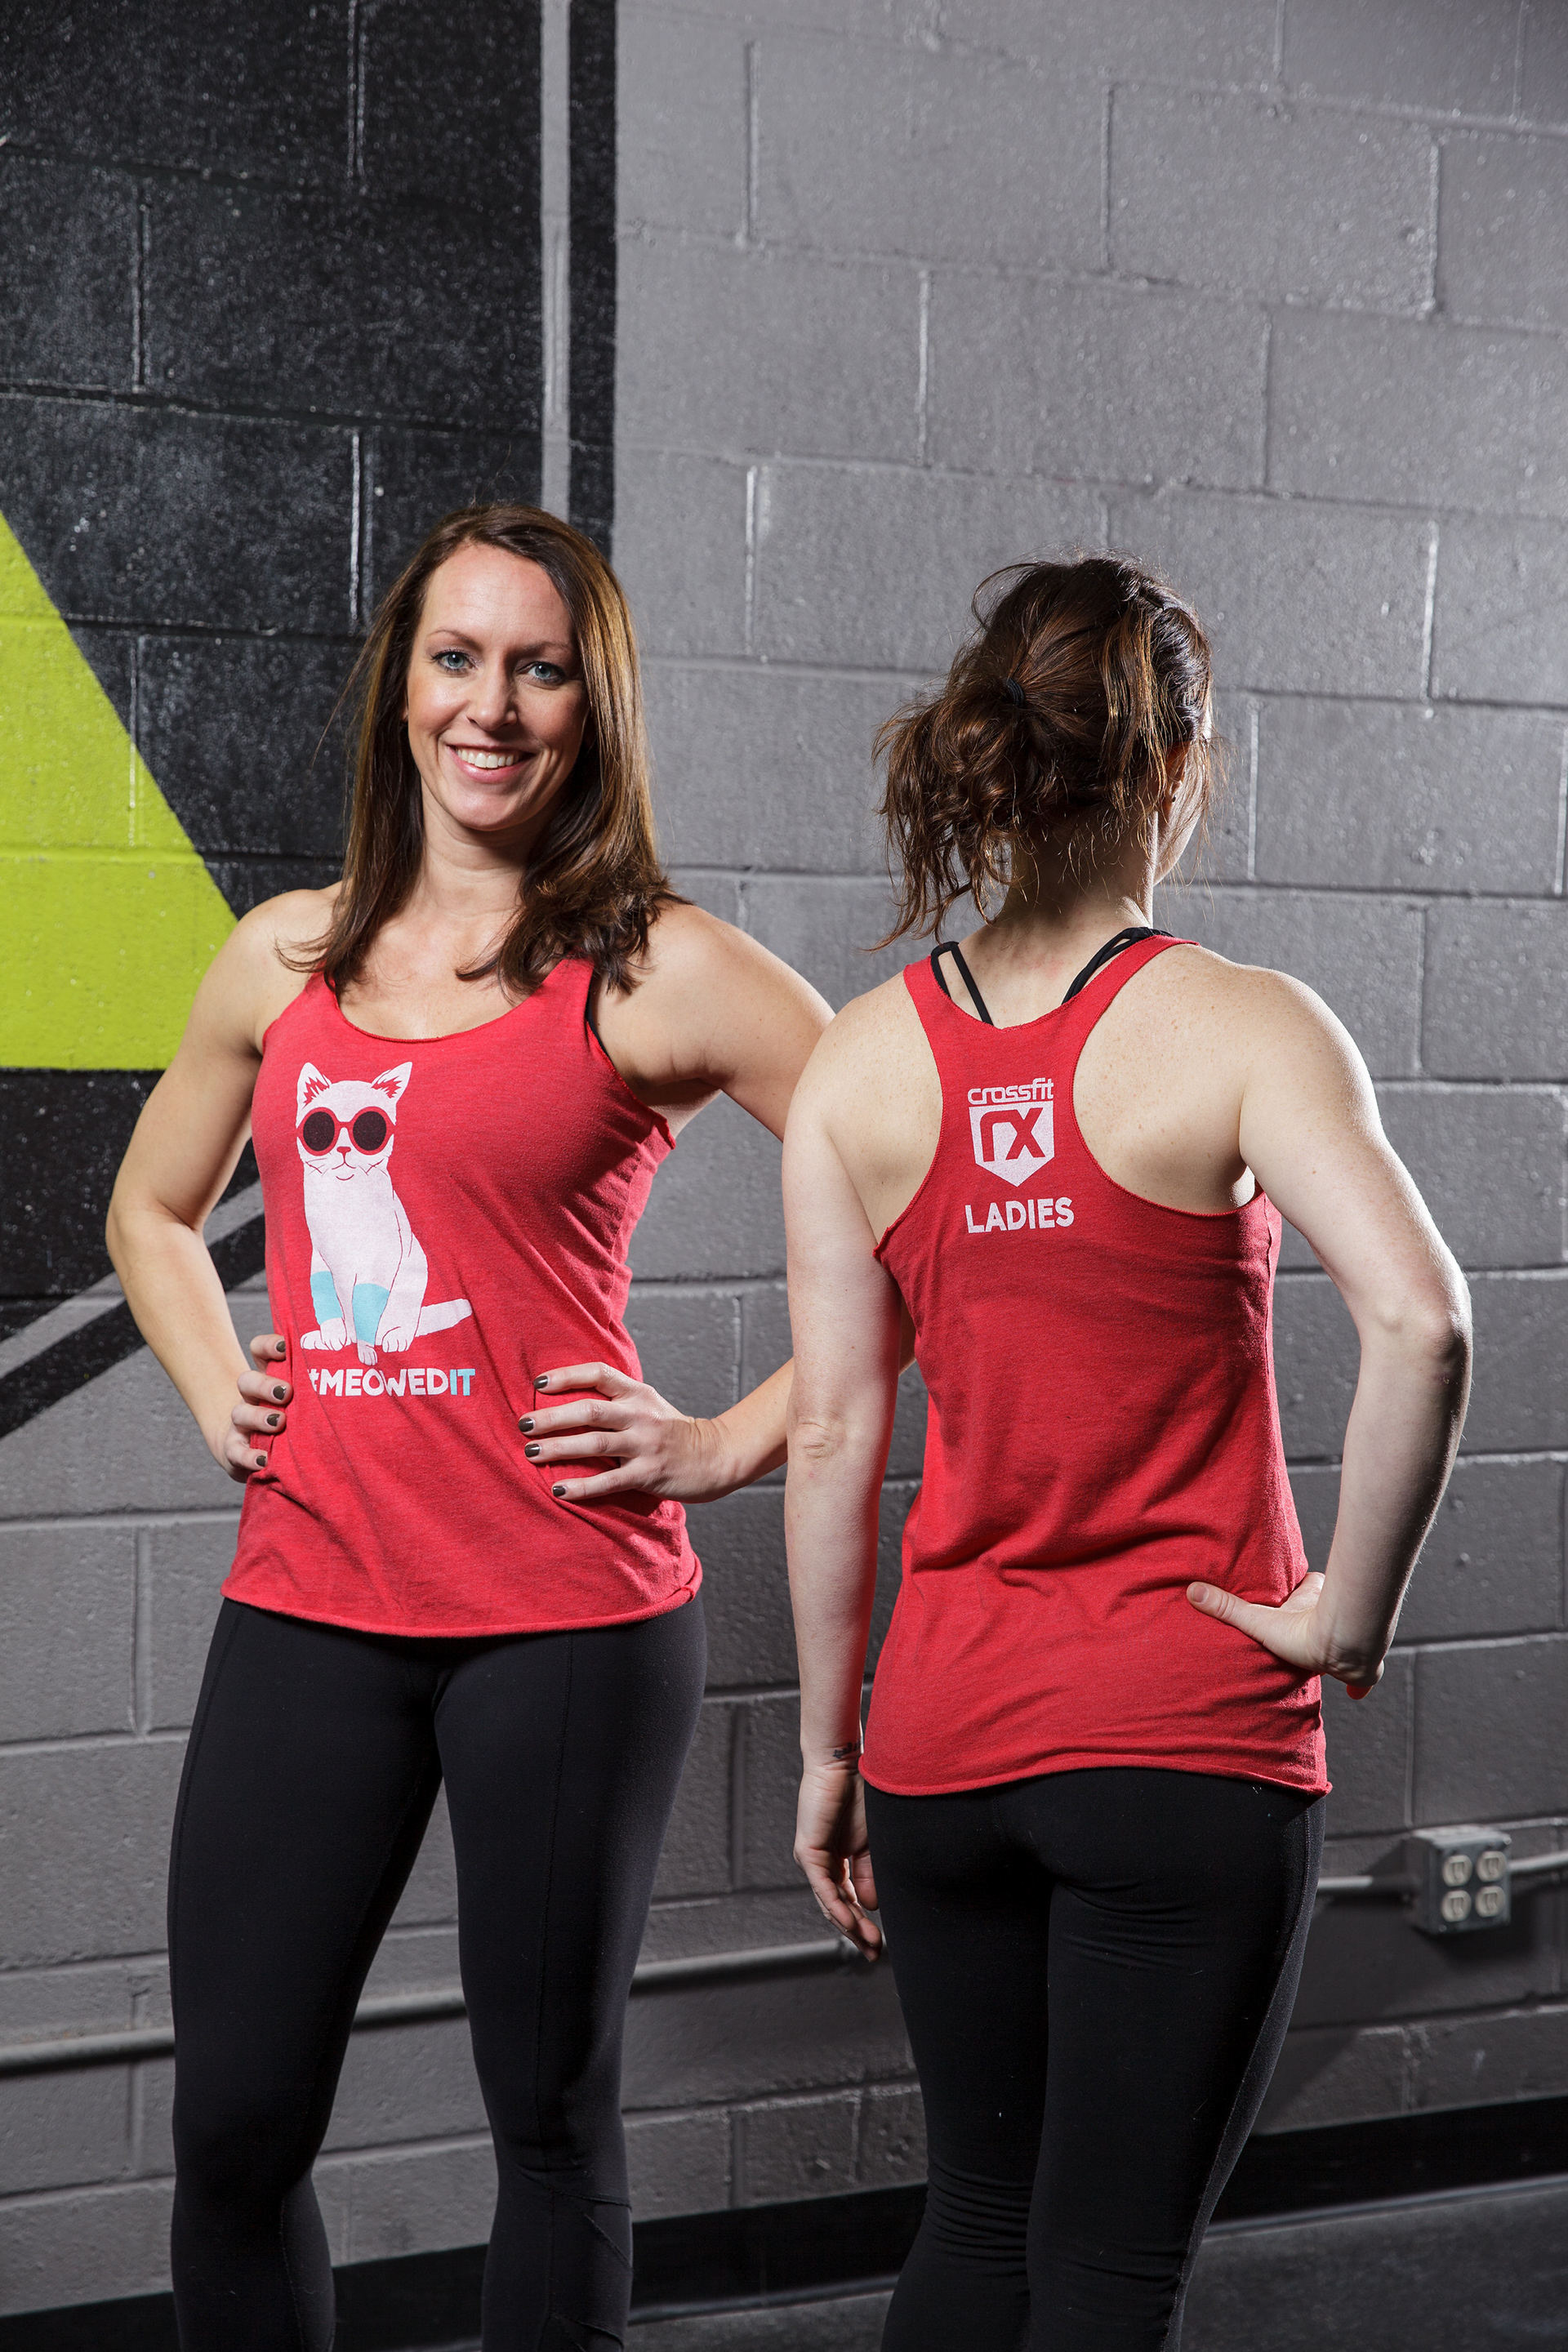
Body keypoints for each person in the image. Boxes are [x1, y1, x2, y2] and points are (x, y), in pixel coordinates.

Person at [106, 504, 830, 2350]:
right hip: (311, 1599)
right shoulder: (285, 957)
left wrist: (727, 1440)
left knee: (550, 2128)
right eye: (456, 658)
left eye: (539, 668)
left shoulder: (660, 970)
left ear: (595, 704)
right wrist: (216, 1381)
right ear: (403, 684)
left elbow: (921, 1217)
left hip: (562, 1620)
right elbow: (152, 1210)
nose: (489, 707)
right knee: (232, 2129)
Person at [781, 555, 1471, 2352]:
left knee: (976, 2231)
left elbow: (835, 1433)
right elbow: (1423, 1323)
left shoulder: (859, 1064)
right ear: (1177, 769)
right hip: (1182, 1744)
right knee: (1105, 2274)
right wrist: (1345, 1618)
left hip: (943, 1749)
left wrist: (829, 1750)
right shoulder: (1244, 1023)